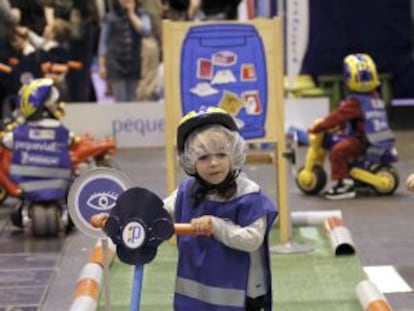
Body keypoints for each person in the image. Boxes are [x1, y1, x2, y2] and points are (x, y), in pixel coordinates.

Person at [163, 106, 277, 311]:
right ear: (190, 160)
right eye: (203, 157)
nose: (214, 163)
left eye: (222, 155)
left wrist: (215, 225)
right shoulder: (187, 192)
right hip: (198, 298)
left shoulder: (248, 194)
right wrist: (127, 215)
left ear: (234, 153)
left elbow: (252, 239)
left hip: (244, 296)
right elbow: (160, 211)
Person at [308, 53, 395, 200]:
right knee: (342, 141)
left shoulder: (355, 102)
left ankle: (345, 184)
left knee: (338, 151)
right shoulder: (374, 97)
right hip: (377, 139)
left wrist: (319, 127)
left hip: (363, 140)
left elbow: (337, 117)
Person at [98, 0, 151, 102]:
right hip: (116, 64)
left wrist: (131, 15)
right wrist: (102, 65)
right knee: (120, 100)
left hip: (134, 63)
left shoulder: (141, 14)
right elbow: (103, 43)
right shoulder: (110, 17)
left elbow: (146, 31)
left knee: (132, 100)